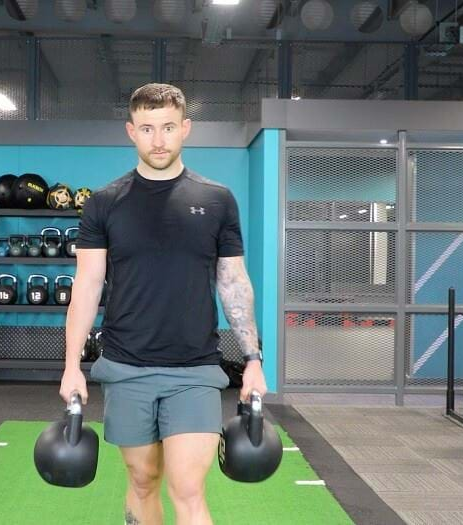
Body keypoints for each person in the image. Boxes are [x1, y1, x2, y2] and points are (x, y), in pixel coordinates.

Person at [60, 83, 267, 525]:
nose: (159, 140)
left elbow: (233, 281)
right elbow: (87, 285)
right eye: (148, 128)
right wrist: (71, 364)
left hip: (194, 367)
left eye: (169, 127)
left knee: (188, 488)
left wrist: (252, 358)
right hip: (126, 364)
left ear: (185, 129)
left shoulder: (216, 200)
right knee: (142, 481)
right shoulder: (104, 203)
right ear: (131, 131)